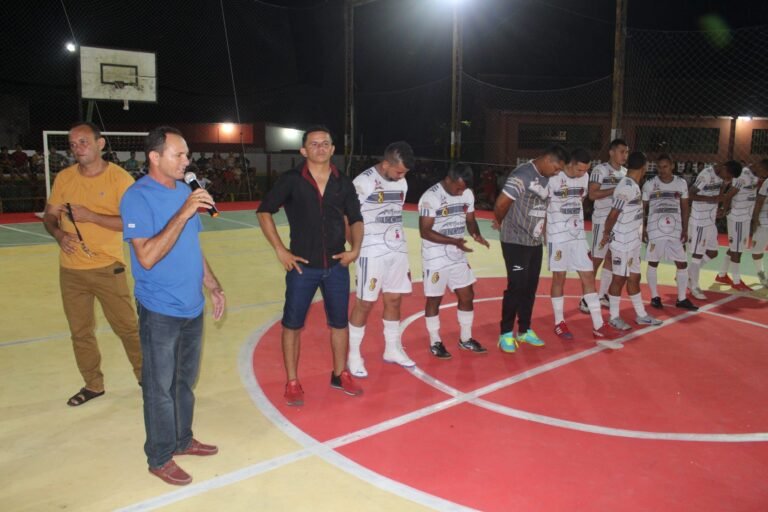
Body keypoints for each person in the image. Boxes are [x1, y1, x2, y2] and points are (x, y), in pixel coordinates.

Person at [120, 126, 225, 486]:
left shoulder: (185, 191)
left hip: (191, 306)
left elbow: (191, 244)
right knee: (159, 387)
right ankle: (160, 455)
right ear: (155, 157)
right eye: (178, 154)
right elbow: (146, 257)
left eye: (186, 154)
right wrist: (183, 211)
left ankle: (182, 439)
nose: (186, 161)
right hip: (160, 310)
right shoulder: (137, 197)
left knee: (184, 381)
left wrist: (210, 282)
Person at [257, 125, 364, 406]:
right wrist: (281, 250)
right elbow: (264, 211)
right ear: (303, 150)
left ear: (332, 149)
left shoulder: (343, 182)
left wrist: (356, 250)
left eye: (325, 143)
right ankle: (292, 381)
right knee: (292, 325)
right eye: (313, 144)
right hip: (302, 267)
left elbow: (356, 218)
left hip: (337, 266)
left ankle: (340, 374)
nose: (320, 147)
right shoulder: (291, 180)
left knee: (340, 324)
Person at [42, 121, 142, 406]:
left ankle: (147, 378)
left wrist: (92, 217)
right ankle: (93, 384)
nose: (77, 148)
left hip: (108, 269)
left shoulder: (120, 180)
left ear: (100, 144)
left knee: (127, 328)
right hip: (71, 271)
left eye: (83, 142)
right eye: (73, 144)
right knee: (80, 333)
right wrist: (59, 234)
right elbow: (49, 216)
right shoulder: (64, 178)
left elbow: (134, 222)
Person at [347, 141, 416, 377]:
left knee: (394, 300)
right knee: (365, 303)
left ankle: (392, 349)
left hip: (397, 248)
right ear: (386, 164)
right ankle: (354, 354)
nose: (402, 176)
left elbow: (395, 214)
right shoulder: (363, 182)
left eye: (405, 172)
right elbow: (348, 219)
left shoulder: (402, 182)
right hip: (371, 249)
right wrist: (355, 248)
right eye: (398, 171)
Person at [494, 145, 568, 352]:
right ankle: (506, 333)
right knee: (516, 285)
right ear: (547, 159)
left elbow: (542, 207)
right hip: (516, 241)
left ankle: (524, 330)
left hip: (534, 242)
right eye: (557, 168)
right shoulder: (522, 175)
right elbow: (501, 204)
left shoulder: (547, 178)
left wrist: (542, 233)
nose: (557, 173)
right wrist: (501, 223)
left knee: (530, 287)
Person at [545, 148, 620, 348]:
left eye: (585, 170)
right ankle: (559, 322)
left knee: (588, 276)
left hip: (578, 235)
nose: (582, 174)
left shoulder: (585, 177)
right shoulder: (553, 178)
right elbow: (543, 205)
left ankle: (598, 324)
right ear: (570, 164)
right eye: (579, 170)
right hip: (557, 235)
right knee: (559, 278)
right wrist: (544, 233)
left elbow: (582, 199)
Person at [419, 162, 490, 359]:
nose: (461, 193)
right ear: (448, 180)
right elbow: (425, 231)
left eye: (464, 189)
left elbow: (470, 219)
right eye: (458, 188)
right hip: (435, 255)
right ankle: (435, 341)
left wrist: (476, 233)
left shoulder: (467, 194)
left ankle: (465, 338)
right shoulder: (431, 197)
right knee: (434, 298)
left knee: (467, 294)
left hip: (457, 253)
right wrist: (453, 241)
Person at [600, 151, 662, 330]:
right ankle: (613, 317)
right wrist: (606, 235)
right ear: (643, 167)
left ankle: (641, 315)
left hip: (632, 242)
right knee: (619, 278)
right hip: (622, 242)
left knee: (635, 276)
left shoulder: (633, 185)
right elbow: (613, 214)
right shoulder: (626, 186)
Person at [642, 154, 698, 310]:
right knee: (654, 262)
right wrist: (643, 228)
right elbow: (642, 208)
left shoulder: (681, 184)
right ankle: (655, 297)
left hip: (675, 230)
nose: (662, 170)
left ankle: (681, 299)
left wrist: (685, 228)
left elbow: (685, 207)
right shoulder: (649, 184)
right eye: (659, 167)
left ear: (672, 166)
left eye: (665, 166)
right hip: (655, 230)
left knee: (682, 263)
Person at [585, 139, 629, 311]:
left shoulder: (625, 173)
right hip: (602, 221)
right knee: (596, 259)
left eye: (626, 152)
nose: (624, 155)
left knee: (611, 258)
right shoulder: (600, 170)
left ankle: (603, 295)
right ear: (611, 152)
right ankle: (585, 299)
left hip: (619, 222)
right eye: (621, 151)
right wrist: (616, 189)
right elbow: (592, 194)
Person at [687, 160, 742, 299]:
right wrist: (711, 199)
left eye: (729, 178)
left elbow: (721, 191)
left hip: (710, 220)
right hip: (699, 220)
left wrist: (721, 207)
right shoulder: (706, 175)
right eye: (727, 176)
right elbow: (690, 194)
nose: (727, 179)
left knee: (713, 252)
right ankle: (694, 286)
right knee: (697, 255)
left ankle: (688, 275)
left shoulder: (723, 176)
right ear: (724, 167)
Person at [715, 163, 760, 291]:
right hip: (738, 218)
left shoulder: (755, 175)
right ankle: (736, 280)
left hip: (745, 217)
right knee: (737, 250)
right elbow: (729, 194)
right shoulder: (743, 175)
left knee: (735, 247)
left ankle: (721, 275)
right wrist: (723, 209)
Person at [750, 160, 768, 287]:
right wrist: (755, 220)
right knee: (757, 251)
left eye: (760, 168)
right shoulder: (766, 183)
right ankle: (761, 274)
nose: (758, 171)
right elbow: (759, 202)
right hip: (764, 221)